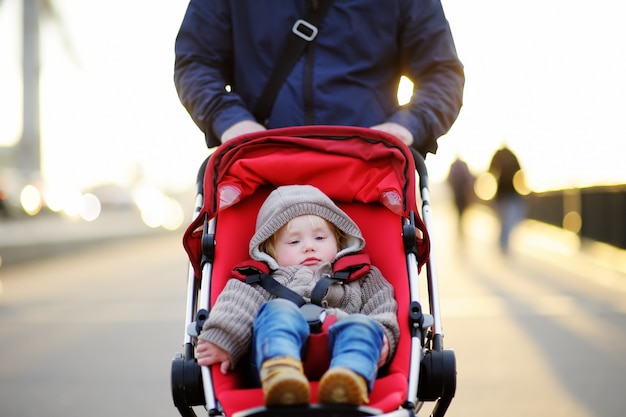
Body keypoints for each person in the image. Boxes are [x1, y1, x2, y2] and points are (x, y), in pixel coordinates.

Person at [195, 184, 400, 407]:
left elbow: (382, 305)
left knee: (363, 325)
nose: (309, 247)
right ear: (269, 251)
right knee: (277, 312)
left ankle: (349, 378)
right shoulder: (259, 280)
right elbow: (236, 307)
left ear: (339, 241)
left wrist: (383, 337)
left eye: (320, 238)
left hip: (344, 353)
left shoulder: (359, 275)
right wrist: (222, 338)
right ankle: (281, 374)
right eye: (294, 242)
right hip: (273, 356)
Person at [174, 0, 464, 157]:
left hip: (367, 168)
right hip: (259, 164)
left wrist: (406, 126)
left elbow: (442, 73)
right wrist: (231, 121)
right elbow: (196, 61)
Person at [488, 145, 526, 253]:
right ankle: (503, 244)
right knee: (505, 220)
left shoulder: (500, 154)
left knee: (509, 219)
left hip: (506, 193)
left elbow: (491, 172)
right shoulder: (509, 155)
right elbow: (520, 173)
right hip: (505, 193)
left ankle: (504, 243)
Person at [446, 155, 474, 232]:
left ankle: (460, 221)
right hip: (462, 192)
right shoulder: (464, 165)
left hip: (457, 192)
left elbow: (449, 178)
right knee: (462, 208)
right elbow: (469, 177)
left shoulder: (453, 166)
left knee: (459, 207)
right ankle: (460, 221)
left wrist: (453, 188)